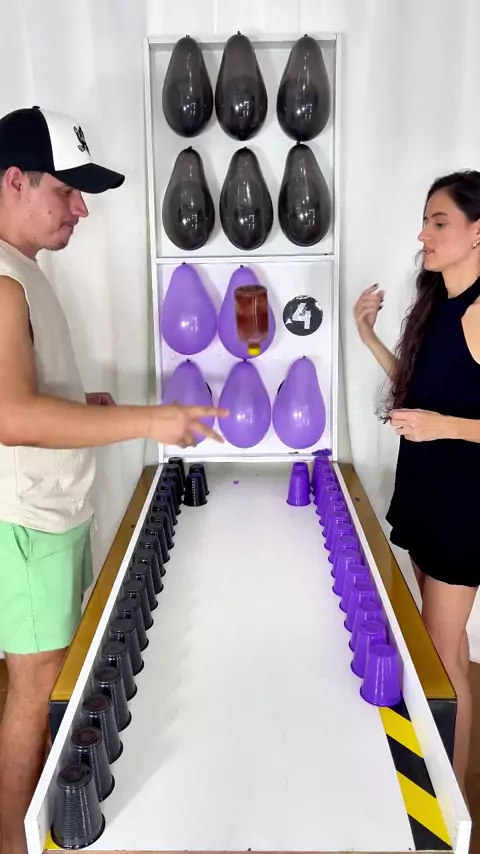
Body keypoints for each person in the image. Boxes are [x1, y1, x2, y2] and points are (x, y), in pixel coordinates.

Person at [0, 105, 228, 854]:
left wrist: (80, 402)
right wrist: (148, 420)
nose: (82, 207)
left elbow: (28, 398)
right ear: (14, 180)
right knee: (35, 689)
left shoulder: (22, 273)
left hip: (49, 514)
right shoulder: (2, 282)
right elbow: (12, 417)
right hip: (27, 523)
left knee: (53, 680)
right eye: (67, 190)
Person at [354, 169, 480, 797]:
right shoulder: (440, 305)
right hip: (427, 493)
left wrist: (443, 427)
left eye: (439, 222)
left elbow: (439, 417)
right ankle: (443, 781)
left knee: (442, 652)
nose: (423, 234)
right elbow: (416, 391)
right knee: (436, 649)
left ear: (478, 232)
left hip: (463, 507)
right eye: (425, 221)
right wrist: (367, 335)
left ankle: (451, 799)